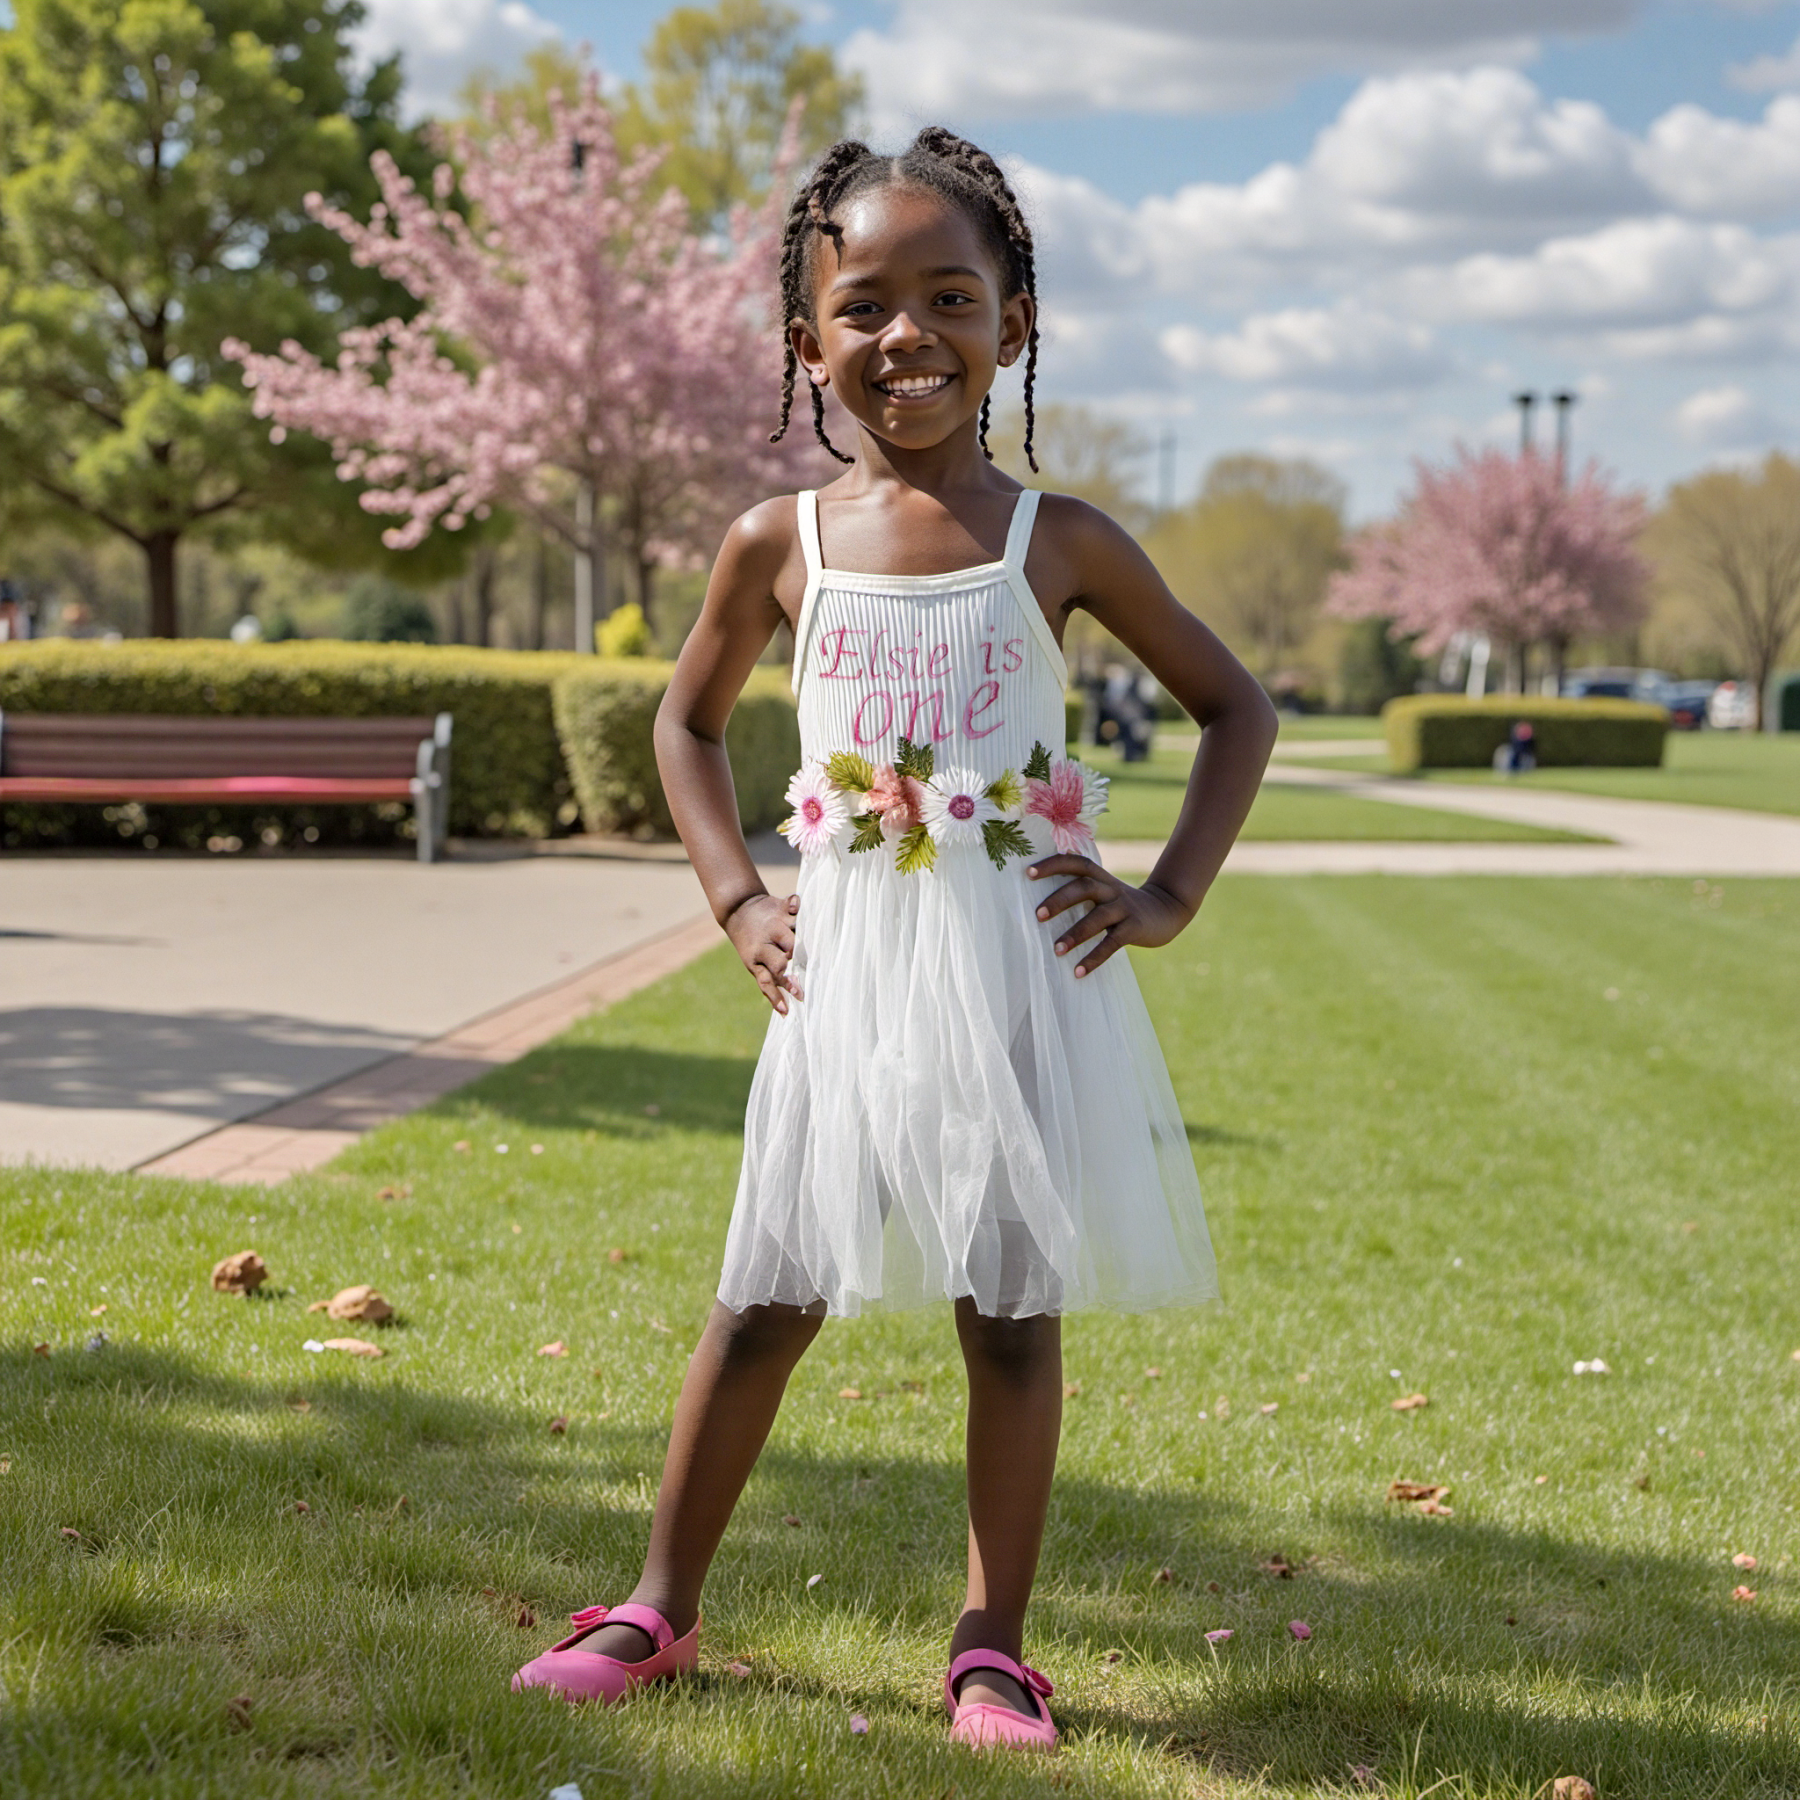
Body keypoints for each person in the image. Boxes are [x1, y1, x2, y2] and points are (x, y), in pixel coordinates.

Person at [512, 128, 1277, 1751]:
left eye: (951, 297)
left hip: (1017, 976)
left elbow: (1236, 707)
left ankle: (992, 1649)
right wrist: (735, 898)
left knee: (1007, 1309)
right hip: (847, 977)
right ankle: (657, 1606)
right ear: (807, 340)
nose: (907, 336)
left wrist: (1164, 896)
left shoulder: (1053, 542)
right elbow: (688, 725)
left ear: (1012, 327)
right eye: (865, 305)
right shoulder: (774, 544)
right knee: (768, 1288)